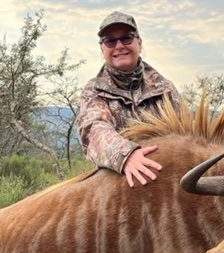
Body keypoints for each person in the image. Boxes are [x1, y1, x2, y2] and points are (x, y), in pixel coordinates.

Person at [76, 11, 181, 187]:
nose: (119, 46)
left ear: (139, 42)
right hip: (117, 186)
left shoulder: (165, 88)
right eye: (110, 41)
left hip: (167, 181)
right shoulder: (94, 91)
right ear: (102, 48)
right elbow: (93, 130)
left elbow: (186, 137)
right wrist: (127, 155)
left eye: (126, 38)